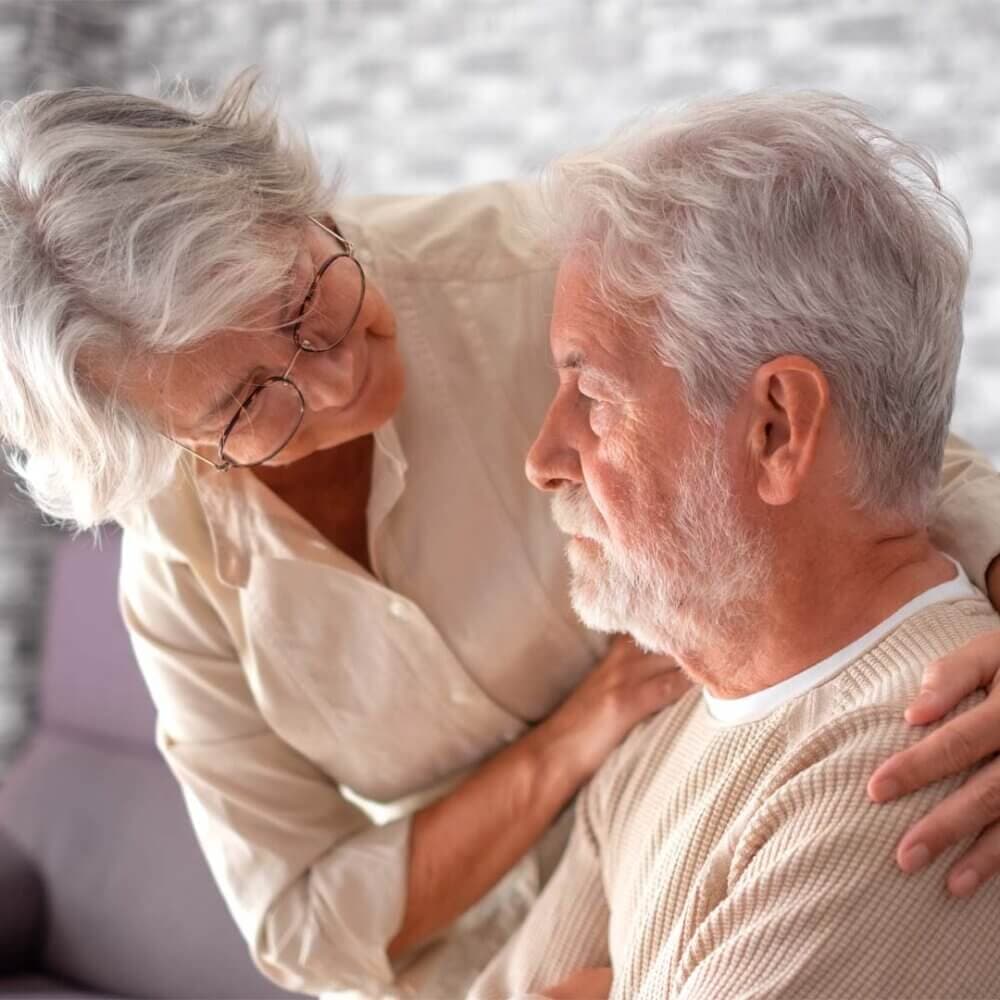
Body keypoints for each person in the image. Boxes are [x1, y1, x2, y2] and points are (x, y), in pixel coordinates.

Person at [0, 77, 998, 999]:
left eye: (308, 303)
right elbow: (300, 926)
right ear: (173, 442)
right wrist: (577, 738)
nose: (337, 379)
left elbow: (863, 440)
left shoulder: (543, 271)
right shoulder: (179, 572)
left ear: (295, 206)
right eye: (247, 401)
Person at [469, 91, 1000, 1000]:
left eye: (591, 399)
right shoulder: (664, 732)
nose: (543, 459)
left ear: (776, 429)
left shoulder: (922, 771)